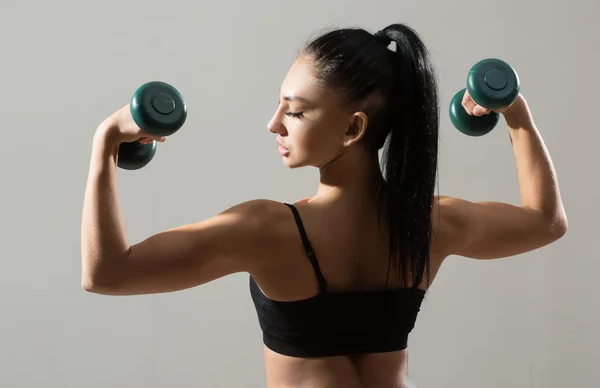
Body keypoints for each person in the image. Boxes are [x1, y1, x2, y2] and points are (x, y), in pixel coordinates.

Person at [80, 23, 568, 388]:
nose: (274, 125)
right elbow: (546, 223)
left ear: (354, 128)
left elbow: (106, 274)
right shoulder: (431, 223)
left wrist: (105, 145)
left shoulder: (264, 230)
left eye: (294, 111)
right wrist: (515, 112)